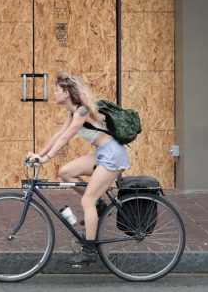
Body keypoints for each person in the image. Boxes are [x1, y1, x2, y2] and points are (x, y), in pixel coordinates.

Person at [26, 72, 130, 265]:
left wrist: (46, 158)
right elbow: (59, 135)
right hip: (102, 153)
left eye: (57, 90)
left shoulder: (82, 111)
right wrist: (39, 154)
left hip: (112, 156)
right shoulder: (73, 112)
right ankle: (100, 206)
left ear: (66, 93)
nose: (54, 93)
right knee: (65, 172)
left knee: (86, 201)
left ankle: (89, 250)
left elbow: (67, 138)